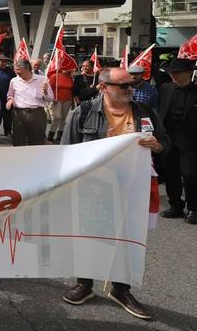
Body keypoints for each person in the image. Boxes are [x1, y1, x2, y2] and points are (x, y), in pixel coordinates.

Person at [61, 67, 166, 320]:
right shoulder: (83, 112)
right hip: (94, 186)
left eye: (133, 84)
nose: (131, 89)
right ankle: (84, 284)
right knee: (89, 235)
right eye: (124, 86)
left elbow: (166, 143)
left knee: (126, 239)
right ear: (104, 87)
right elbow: (65, 151)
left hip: (133, 187)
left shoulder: (145, 112)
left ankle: (121, 290)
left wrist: (158, 145)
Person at [157, 58, 197, 223]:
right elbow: (159, 112)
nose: (173, 75)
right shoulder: (166, 89)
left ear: (189, 73)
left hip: (191, 139)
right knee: (170, 173)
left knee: (190, 175)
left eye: (177, 72)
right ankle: (176, 205)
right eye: (172, 72)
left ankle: (194, 209)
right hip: (168, 137)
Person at [7, 59, 54, 146]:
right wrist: (10, 100)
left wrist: (46, 92)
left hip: (37, 114)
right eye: (16, 70)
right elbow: (10, 95)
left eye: (18, 70)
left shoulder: (42, 80)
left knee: (36, 141)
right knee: (18, 141)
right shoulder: (14, 81)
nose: (17, 72)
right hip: (19, 114)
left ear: (27, 68)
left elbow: (50, 98)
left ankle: (35, 159)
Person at [47, 68, 74, 143]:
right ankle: (50, 136)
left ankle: (59, 136)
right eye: (65, 68)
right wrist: (52, 98)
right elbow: (49, 88)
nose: (67, 69)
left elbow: (72, 90)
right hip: (57, 100)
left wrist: (72, 101)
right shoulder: (55, 76)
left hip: (68, 100)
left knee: (63, 118)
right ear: (61, 68)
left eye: (69, 68)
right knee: (57, 117)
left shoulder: (70, 78)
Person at [0, 56, 15, 136]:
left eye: (5, 61)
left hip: (7, 97)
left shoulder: (10, 72)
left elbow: (14, 83)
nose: (4, 63)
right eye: (2, 61)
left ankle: (7, 131)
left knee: (8, 116)